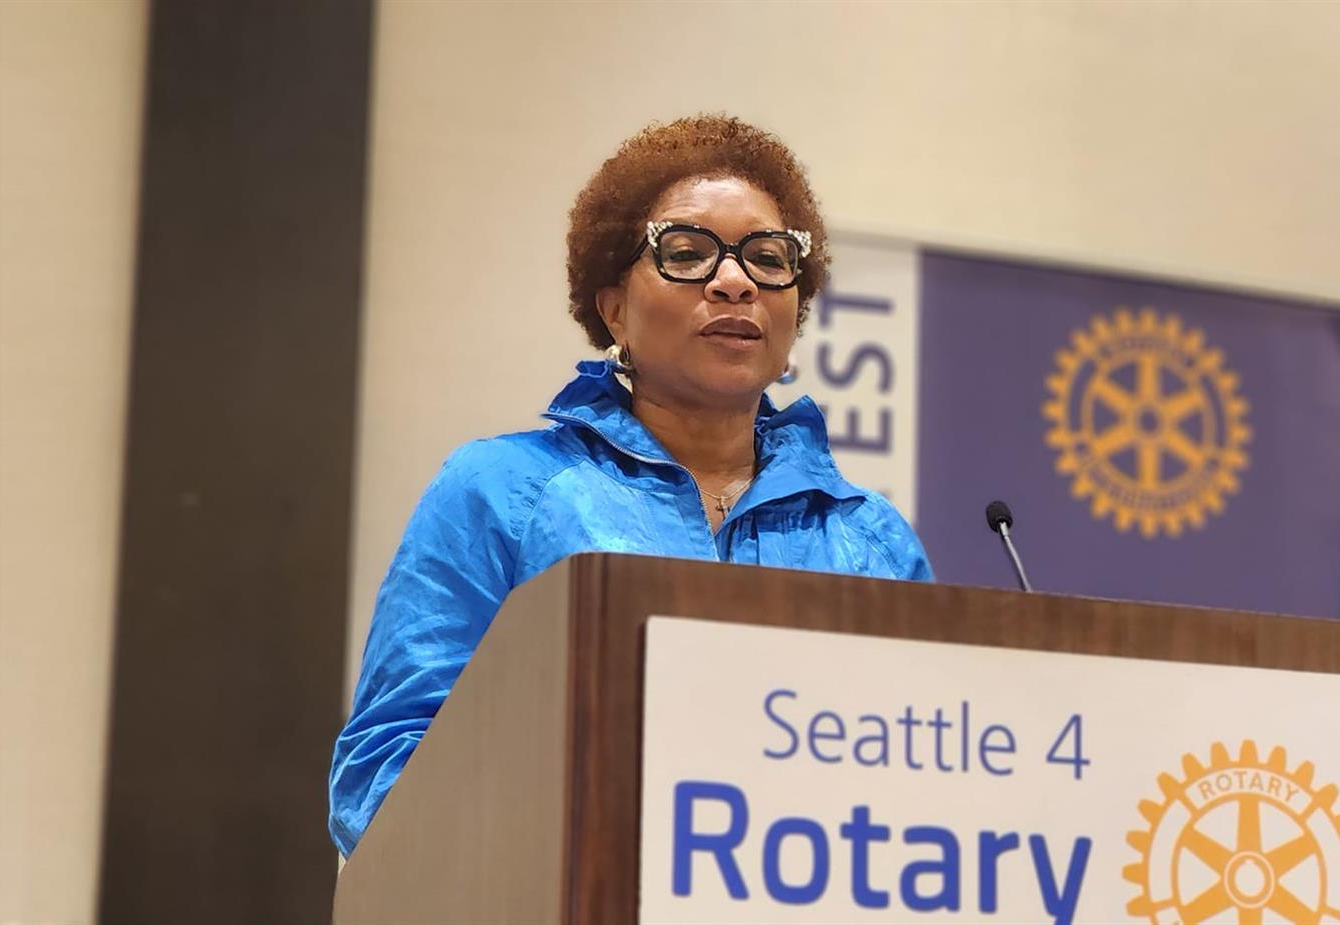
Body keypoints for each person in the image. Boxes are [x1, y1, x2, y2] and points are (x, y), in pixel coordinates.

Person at [328, 115, 933, 857]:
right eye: (687, 253)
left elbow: (926, 779)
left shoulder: (871, 540)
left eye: (769, 259)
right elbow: (385, 770)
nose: (736, 281)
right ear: (614, 310)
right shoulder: (502, 492)